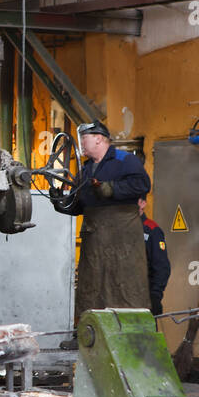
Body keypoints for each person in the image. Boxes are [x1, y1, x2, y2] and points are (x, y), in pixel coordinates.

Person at [50, 120, 152, 317]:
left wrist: (111, 189)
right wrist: (60, 202)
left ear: (99, 139)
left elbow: (142, 184)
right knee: (91, 285)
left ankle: (128, 333)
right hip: (94, 239)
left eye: (84, 139)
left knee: (125, 283)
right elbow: (79, 206)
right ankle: (89, 333)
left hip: (122, 238)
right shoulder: (86, 170)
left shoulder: (125, 160)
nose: (81, 144)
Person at [139, 194, 170, 316]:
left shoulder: (152, 230)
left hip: (144, 297)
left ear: (143, 204)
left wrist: (155, 296)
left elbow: (162, 267)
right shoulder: (119, 229)